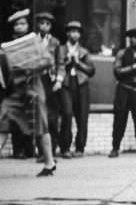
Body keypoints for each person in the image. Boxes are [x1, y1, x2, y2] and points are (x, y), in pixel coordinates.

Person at [0, 9, 57, 176]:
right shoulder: (6, 47)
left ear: (27, 26)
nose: (20, 26)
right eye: (16, 24)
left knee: (40, 126)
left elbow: (48, 61)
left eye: (23, 23)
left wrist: (27, 64)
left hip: (33, 89)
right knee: (2, 122)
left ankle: (49, 162)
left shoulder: (35, 42)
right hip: (15, 92)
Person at [109, 28, 136, 158]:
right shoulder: (122, 53)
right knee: (119, 119)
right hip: (124, 89)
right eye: (132, 37)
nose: (134, 40)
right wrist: (133, 67)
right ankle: (115, 148)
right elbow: (117, 72)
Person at [58, 21, 95, 158]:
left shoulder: (84, 51)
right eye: (72, 31)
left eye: (77, 32)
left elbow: (91, 71)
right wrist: (68, 61)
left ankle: (80, 148)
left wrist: (79, 63)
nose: (75, 34)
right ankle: (65, 148)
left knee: (82, 116)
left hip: (81, 84)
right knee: (67, 114)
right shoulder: (61, 49)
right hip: (66, 83)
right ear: (67, 33)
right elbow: (57, 65)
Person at [35, 11, 62, 158]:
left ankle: (52, 151)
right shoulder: (32, 41)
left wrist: (59, 80)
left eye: (47, 24)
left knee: (52, 117)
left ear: (50, 26)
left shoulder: (55, 42)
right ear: (38, 25)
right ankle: (41, 152)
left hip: (50, 80)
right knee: (39, 116)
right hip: (37, 79)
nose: (44, 26)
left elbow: (60, 63)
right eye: (41, 23)